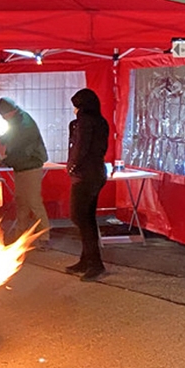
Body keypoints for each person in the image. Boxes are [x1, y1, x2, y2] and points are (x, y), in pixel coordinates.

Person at [0, 97, 50, 244]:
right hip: (22, 166)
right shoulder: (18, 120)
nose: (4, 119)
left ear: (10, 112)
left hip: (30, 165)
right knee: (21, 201)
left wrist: (3, 160)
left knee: (34, 202)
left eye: (4, 116)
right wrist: (1, 139)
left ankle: (44, 236)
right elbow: (12, 134)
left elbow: (19, 147)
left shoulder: (25, 125)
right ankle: (20, 235)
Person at [65, 88, 110, 281]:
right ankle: (86, 259)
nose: (74, 110)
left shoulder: (83, 123)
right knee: (88, 218)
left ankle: (94, 263)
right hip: (97, 173)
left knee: (80, 218)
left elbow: (79, 148)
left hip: (85, 175)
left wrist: (71, 166)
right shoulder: (101, 121)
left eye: (76, 106)